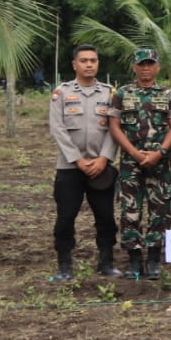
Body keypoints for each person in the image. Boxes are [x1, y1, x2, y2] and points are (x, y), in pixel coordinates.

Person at [47, 44, 120, 282]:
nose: (89, 64)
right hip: (69, 167)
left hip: (100, 167)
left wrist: (104, 158)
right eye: (84, 60)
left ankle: (106, 262)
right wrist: (77, 160)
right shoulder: (61, 93)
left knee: (106, 216)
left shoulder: (110, 93)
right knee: (66, 217)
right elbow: (57, 129)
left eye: (93, 60)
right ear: (74, 64)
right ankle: (64, 265)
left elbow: (115, 129)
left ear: (98, 63)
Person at [107, 48, 171, 279]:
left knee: (161, 210)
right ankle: (135, 259)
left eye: (150, 64)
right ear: (134, 67)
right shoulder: (122, 93)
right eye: (141, 64)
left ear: (157, 67)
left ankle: (154, 258)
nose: (146, 68)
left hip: (160, 162)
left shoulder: (167, 93)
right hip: (131, 163)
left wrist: (160, 152)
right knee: (130, 210)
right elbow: (114, 126)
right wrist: (133, 153)